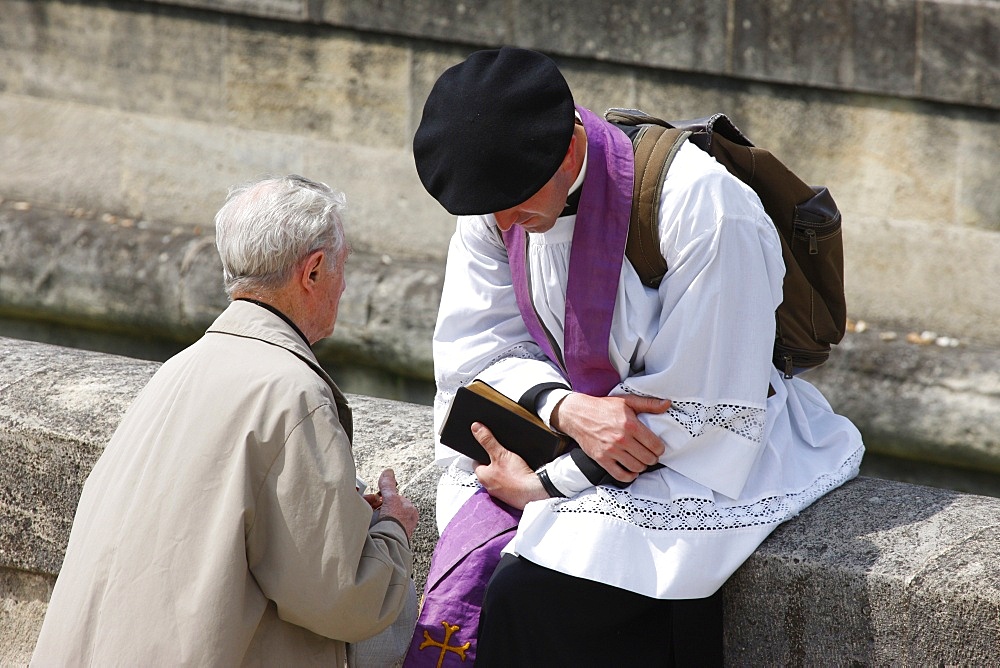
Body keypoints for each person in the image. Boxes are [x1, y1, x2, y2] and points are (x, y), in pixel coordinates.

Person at [405, 47, 864, 666]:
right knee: (484, 570)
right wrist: (564, 409)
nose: (504, 221)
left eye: (514, 202)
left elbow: (697, 406)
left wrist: (544, 487)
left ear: (569, 149)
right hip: (566, 429)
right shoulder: (499, 200)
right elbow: (477, 352)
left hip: (704, 449)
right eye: (490, 208)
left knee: (529, 595)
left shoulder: (705, 209)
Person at [31, 175, 419, 666]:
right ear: (314, 271)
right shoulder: (294, 393)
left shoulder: (179, 368)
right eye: (343, 268)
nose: (344, 285)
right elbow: (340, 599)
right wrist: (392, 529)